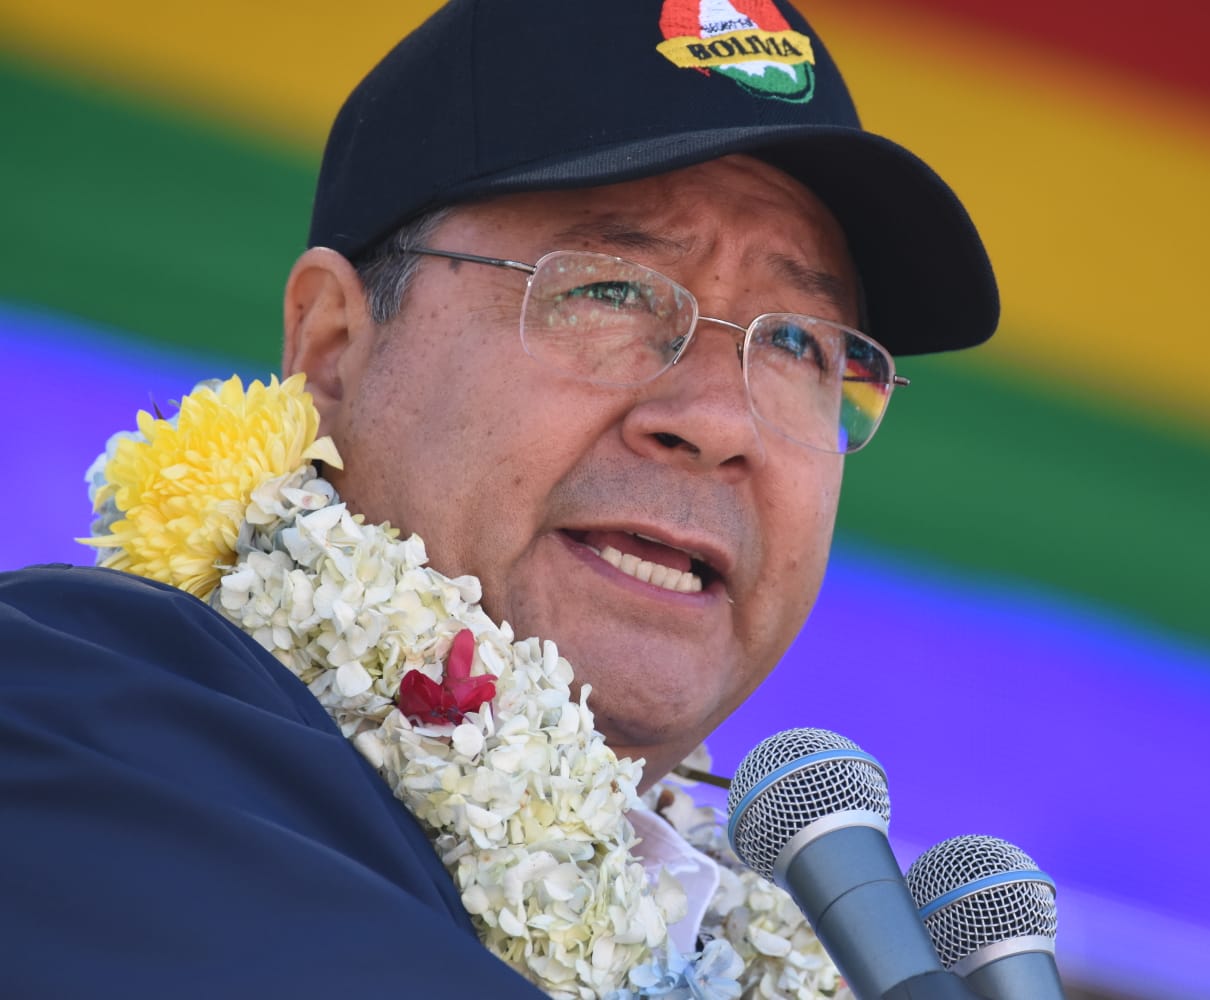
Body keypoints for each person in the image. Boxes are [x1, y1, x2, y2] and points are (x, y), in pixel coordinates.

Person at [0, 1, 997, 995]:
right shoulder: (69, 713)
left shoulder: (765, 953)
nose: (718, 421)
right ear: (333, 345)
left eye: (797, 343)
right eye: (610, 289)